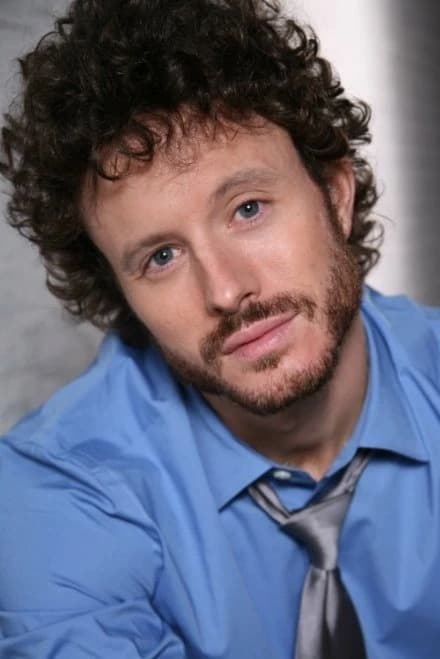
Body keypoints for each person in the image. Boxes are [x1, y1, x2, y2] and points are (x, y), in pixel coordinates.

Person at [1, 0, 440, 657]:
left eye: (248, 208)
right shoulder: (58, 493)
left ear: (335, 195)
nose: (227, 291)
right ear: (122, 294)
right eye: (161, 256)